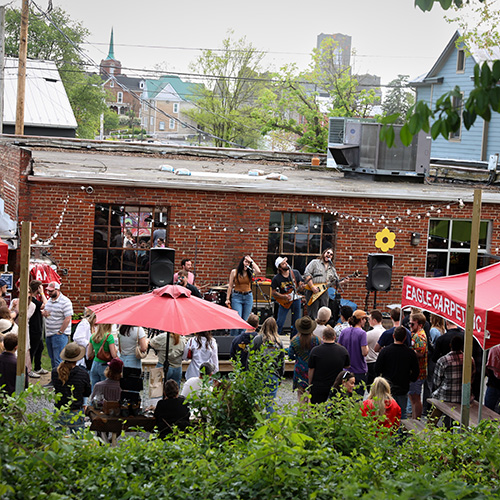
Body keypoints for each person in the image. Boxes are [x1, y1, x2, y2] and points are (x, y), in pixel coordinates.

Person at [375, 326, 419, 419]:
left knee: (387, 412)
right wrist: (410, 379)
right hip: (403, 385)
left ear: (393, 336)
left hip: (388, 386)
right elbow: (416, 371)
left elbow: (377, 368)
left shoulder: (385, 351)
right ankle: (401, 432)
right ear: (405, 338)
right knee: (402, 412)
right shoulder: (410, 353)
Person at [430, 336, 475, 425]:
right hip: (464, 396)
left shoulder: (443, 360)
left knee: (438, 407)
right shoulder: (470, 359)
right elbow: (472, 377)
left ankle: (446, 427)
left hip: (446, 396)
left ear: (450, 345)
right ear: (462, 346)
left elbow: (436, 382)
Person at [51, 342, 91, 433]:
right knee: (78, 441)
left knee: (56, 441)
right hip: (75, 411)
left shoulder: (55, 372)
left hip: (59, 410)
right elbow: (87, 392)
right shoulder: (83, 374)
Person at [308, 325, 350, 404]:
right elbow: (347, 366)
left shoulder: (315, 351)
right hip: (336, 385)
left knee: (317, 410)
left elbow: (311, 369)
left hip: (319, 385)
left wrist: (310, 384)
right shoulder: (342, 351)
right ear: (334, 337)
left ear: (323, 337)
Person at [252, 317, 285, 414]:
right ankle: (269, 424)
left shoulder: (257, 339)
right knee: (270, 402)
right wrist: (280, 376)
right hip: (273, 374)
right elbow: (281, 361)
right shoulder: (279, 341)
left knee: (257, 401)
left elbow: (251, 357)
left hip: (259, 373)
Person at [288, 316, 321, 403]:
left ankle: (301, 414)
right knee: (312, 394)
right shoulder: (317, 340)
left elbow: (290, 356)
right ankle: (311, 414)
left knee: (301, 394)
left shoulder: (294, 341)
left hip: (300, 369)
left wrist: (297, 358)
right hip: (314, 369)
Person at [42, 282, 73, 370]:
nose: (49, 293)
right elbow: (48, 312)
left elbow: (68, 318)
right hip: (49, 333)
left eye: (51, 291)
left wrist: (60, 332)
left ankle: (59, 380)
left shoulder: (65, 302)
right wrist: (44, 313)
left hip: (59, 335)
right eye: (48, 291)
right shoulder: (50, 301)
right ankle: (54, 378)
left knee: (58, 359)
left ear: (57, 290)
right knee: (52, 358)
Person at [226, 255, 261, 335]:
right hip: (237, 296)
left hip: (248, 296)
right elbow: (230, 286)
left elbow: (258, 271)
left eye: (248, 263)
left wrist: (252, 261)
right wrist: (227, 298)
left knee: (245, 320)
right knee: (237, 319)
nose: (247, 264)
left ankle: (242, 338)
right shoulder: (234, 272)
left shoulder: (250, 272)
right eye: (245, 262)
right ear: (242, 262)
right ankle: (234, 338)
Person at [303, 248, 340, 320]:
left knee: (324, 311)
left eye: (331, 254)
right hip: (313, 290)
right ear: (324, 253)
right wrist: (312, 286)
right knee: (313, 314)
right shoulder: (315, 262)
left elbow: (335, 281)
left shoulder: (331, 268)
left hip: (324, 291)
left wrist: (344, 281)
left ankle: (321, 328)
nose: (329, 255)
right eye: (328, 253)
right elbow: (307, 274)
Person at [337, 310, 369, 395]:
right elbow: (364, 352)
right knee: (357, 398)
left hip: (346, 369)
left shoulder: (344, 331)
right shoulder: (362, 333)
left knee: (345, 396)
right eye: (365, 319)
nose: (365, 321)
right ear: (361, 320)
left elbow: (338, 347)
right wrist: (367, 347)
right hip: (359, 369)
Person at [271, 256, 304, 338]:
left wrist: (302, 286)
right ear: (280, 267)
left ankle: (294, 339)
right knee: (280, 321)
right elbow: (273, 292)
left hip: (296, 299)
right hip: (285, 302)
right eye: (283, 264)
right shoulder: (277, 278)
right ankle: (275, 338)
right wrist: (283, 296)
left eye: (285, 262)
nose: (286, 264)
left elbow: (300, 285)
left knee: (296, 321)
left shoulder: (295, 273)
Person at [408, 312, 428, 419]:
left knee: (415, 397)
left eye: (412, 324)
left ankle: (416, 420)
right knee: (413, 397)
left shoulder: (419, 336)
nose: (410, 326)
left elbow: (420, 352)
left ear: (419, 324)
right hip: (417, 372)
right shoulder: (416, 334)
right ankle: (414, 418)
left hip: (418, 372)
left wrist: (409, 352)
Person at [87, 323, 118, 388]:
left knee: (94, 388)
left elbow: (89, 354)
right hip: (104, 366)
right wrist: (116, 350)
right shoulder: (109, 337)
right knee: (104, 389)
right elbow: (113, 355)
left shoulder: (93, 336)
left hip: (94, 365)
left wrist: (96, 352)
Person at [28, 280, 48, 375]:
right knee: (32, 349)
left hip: (37, 327)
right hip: (34, 329)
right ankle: (29, 369)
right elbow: (46, 304)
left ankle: (37, 367)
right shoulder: (32, 300)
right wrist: (42, 293)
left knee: (40, 347)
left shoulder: (33, 300)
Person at [365, 309, 385, 386]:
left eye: (369, 319)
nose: (368, 321)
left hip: (371, 362)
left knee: (370, 386)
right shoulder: (384, 331)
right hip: (380, 361)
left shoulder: (370, 333)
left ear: (374, 320)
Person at [485, 344, 500, 412]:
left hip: (492, 384)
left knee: (488, 410)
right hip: (493, 385)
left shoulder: (493, 349)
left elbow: (487, 367)